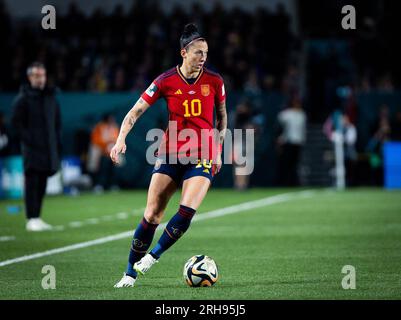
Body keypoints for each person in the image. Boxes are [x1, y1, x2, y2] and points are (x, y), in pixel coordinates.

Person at [111, 23, 227, 288]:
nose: (203, 58)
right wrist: (120, 140)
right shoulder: (165, 81)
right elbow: (135, 111)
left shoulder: (215, 80)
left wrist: (218, 150)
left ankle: (153, 257)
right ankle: (129, 272)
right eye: (198, 52)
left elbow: (222, 117)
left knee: (186, 210)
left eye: (206, 53)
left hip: (203, 153)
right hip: (171, 153)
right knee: (152, 215)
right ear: (184, 52)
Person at [11, 62, 61, 231]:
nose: (40, 79)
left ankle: (37, 217)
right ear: (30, 77)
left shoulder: (50, 97)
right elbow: (16, 124)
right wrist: (30, 140)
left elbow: (56, 123)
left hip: (48, 150)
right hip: (32, 150)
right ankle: (30, 218)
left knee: (42, 184)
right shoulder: (23, 98)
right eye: (37, 76)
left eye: (42, 75)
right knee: (32, 183)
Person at [277, 96, 306, 186]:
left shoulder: (302, 114)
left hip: (298, 142)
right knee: (286, 164)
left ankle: (294, 182)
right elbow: (280, 121)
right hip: (288, 142)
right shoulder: (287, 114)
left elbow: (302, 129)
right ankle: (285, 182)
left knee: (295, 164)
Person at [88, 113, 119, 192]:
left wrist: (111, 144)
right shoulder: (99, 126)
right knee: (100, 169)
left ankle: (112, 185)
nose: (112, 121)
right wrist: (105, 145)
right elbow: (95, 140)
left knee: (114, 168)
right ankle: (98, 185)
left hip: (112, 151)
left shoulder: (114, 127)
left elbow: (117, 138)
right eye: (110, 119)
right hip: (101, 151)